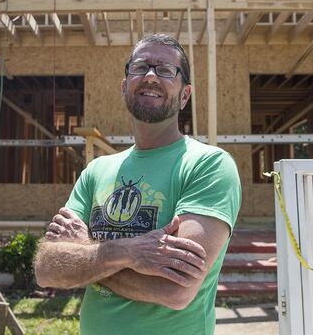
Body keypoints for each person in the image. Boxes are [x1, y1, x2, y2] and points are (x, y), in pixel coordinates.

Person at [34, 33, 242, 335]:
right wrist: (129, 253)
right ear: (124, 87)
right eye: (140, 67)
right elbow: (47, 268)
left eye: (166, 70)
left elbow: (173, 289)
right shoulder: (96, 171)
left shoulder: (207, 165)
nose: (150, 76)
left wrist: (87, 253)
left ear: (185, 95)